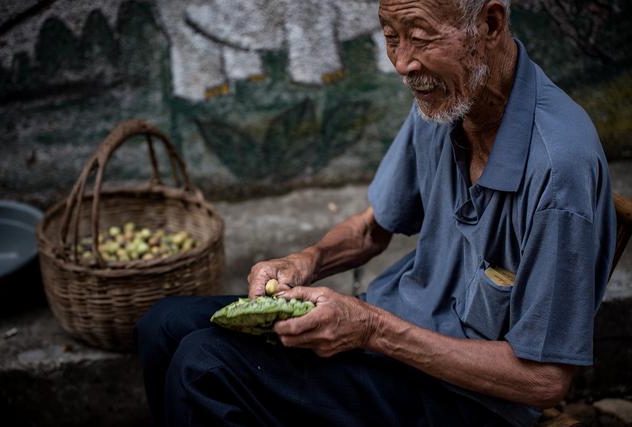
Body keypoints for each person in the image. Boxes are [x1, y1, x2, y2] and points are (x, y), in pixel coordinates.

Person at [135, 0, 616, 426]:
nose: (403, 63)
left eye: (421, 37)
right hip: (390, 340)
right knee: (164, 324)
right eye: (391, 37)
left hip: (466, 398)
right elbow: (373, 228)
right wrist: (308, 259)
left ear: (490, 24)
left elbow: (544, 381)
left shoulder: (560, 167)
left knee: (204, 366)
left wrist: (371, 328)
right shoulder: (447, 100)